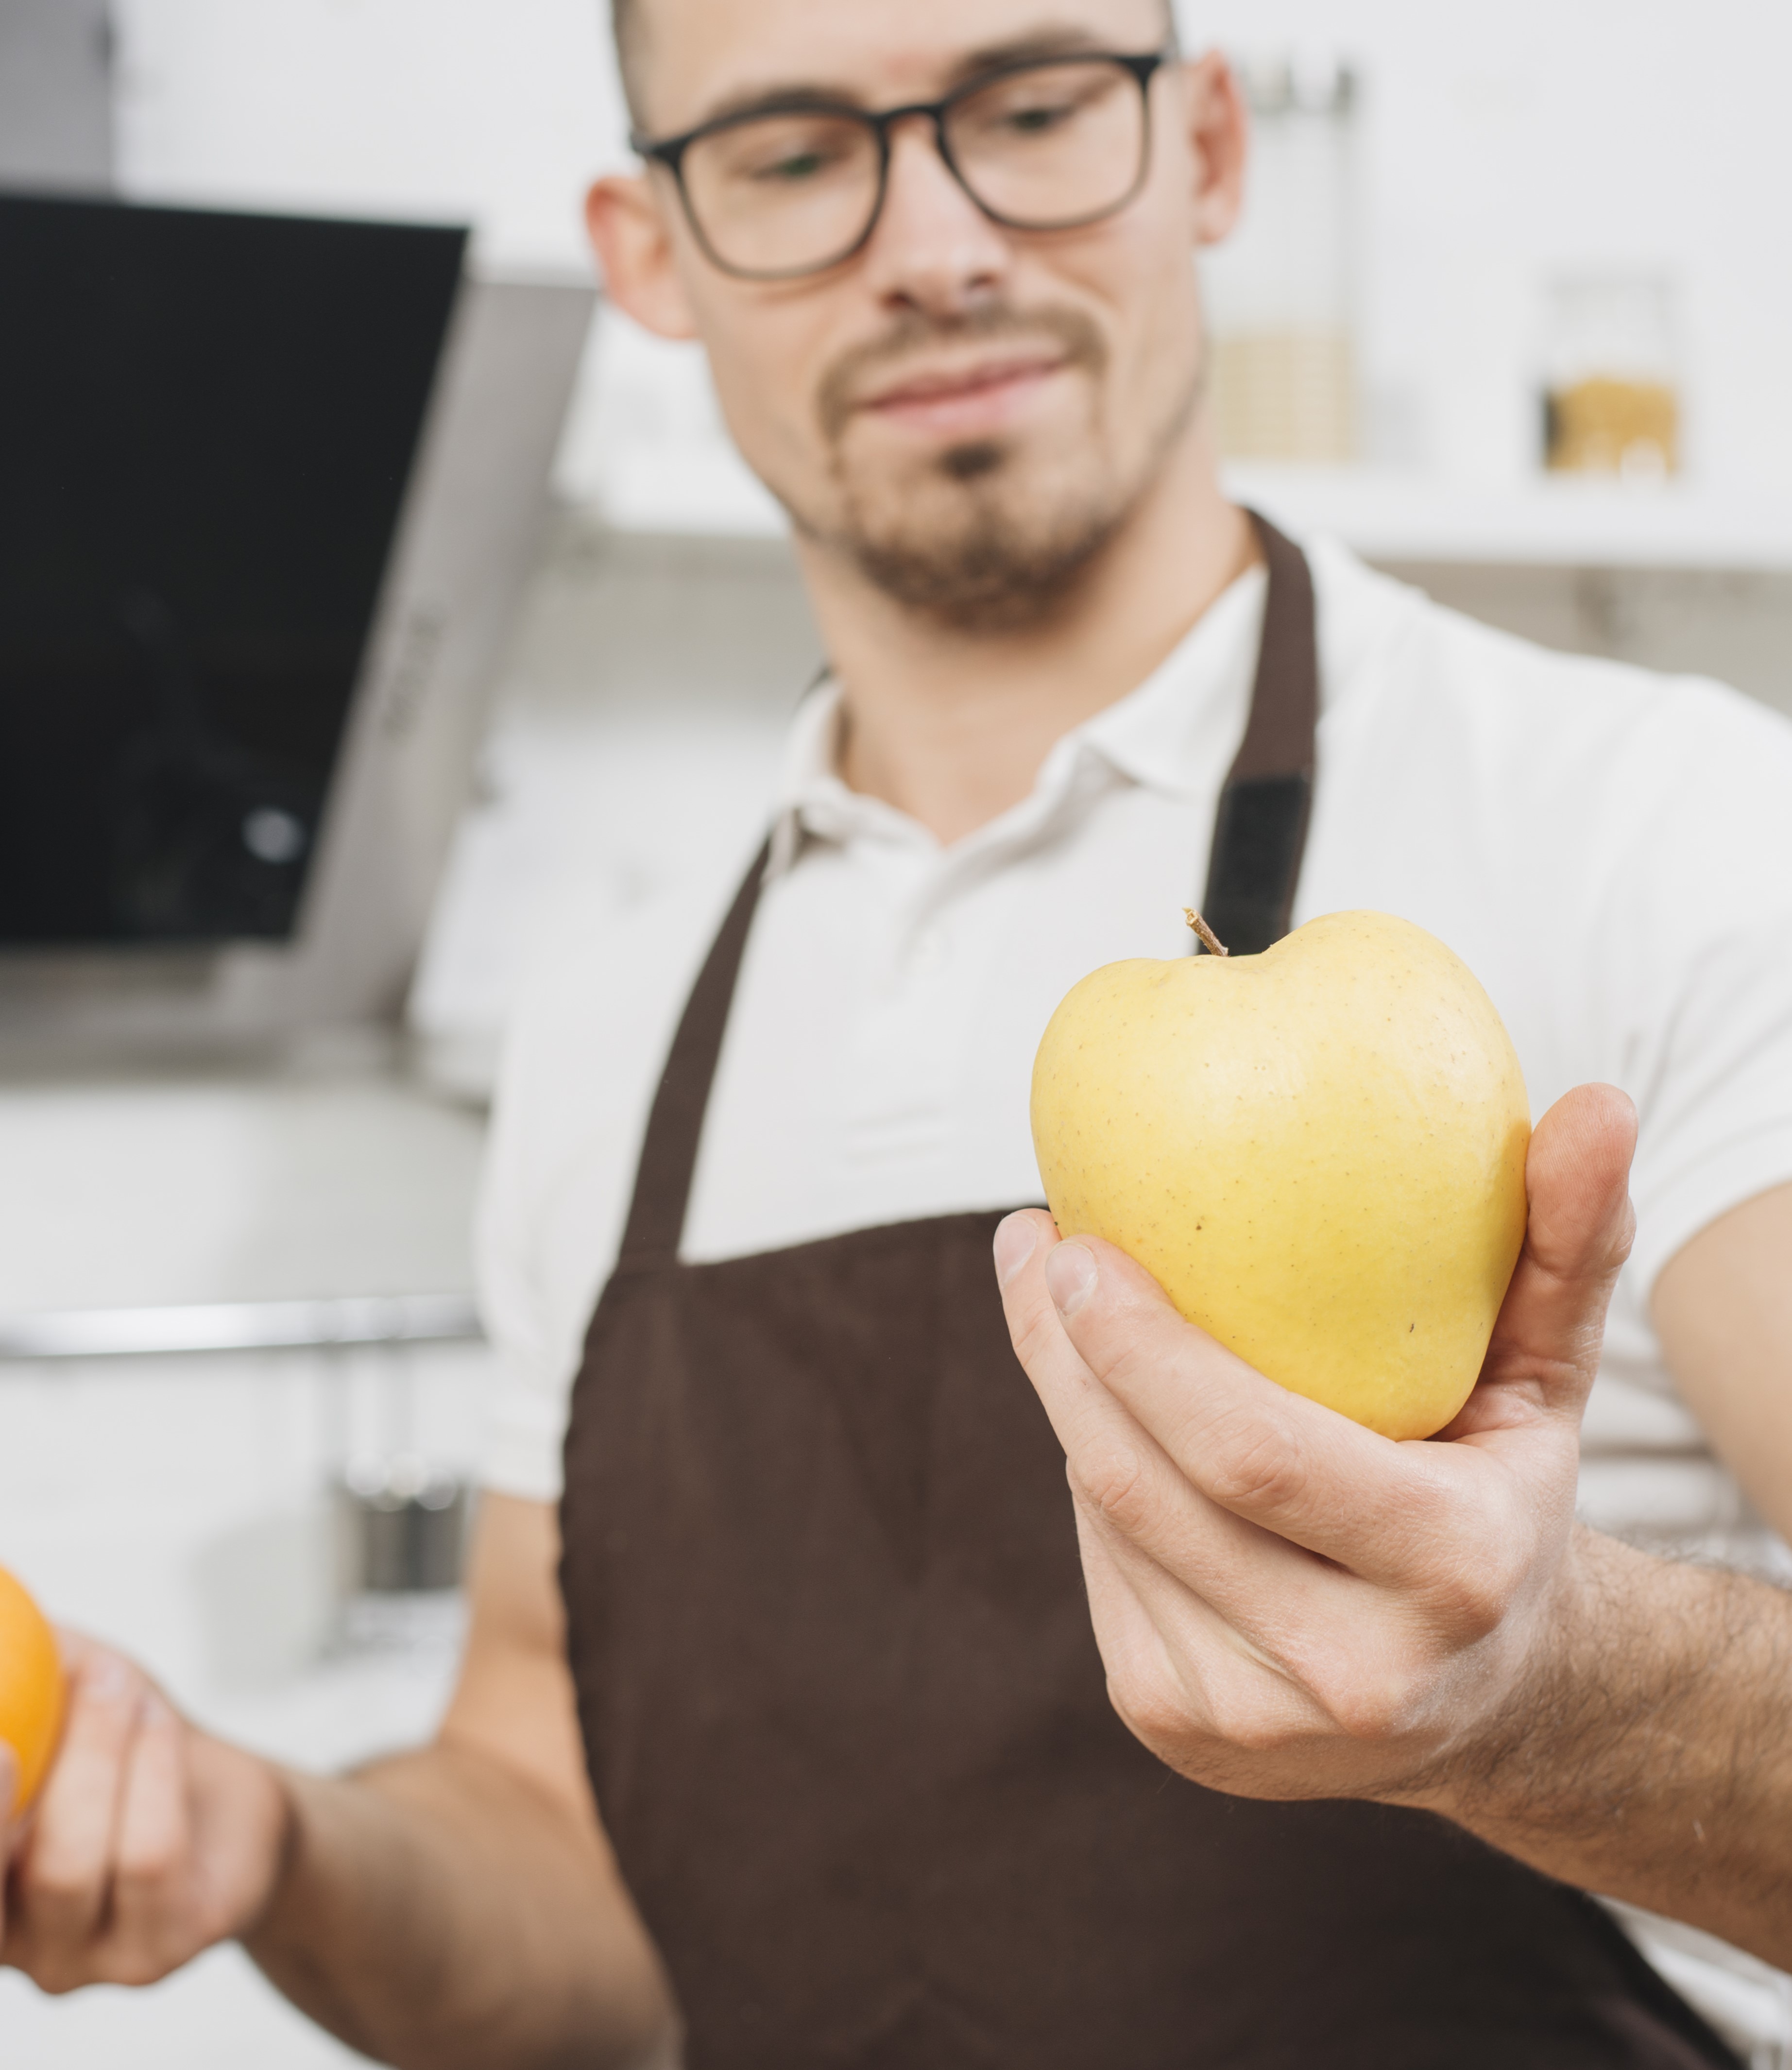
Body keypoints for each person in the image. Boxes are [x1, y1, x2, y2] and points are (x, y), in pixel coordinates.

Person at [5, 0, 1792, 2063]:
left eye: (1031, 109)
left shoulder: (1657, 829)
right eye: (785, 153)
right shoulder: (612, 1023)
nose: (932, 242)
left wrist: (1546, 1685)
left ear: (1203, 146)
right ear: (647, 252)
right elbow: (566, 1877)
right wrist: (276, 1845)